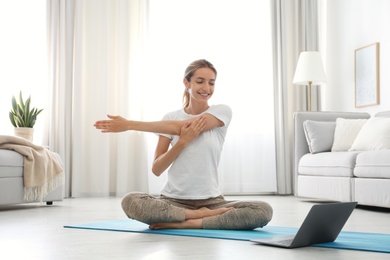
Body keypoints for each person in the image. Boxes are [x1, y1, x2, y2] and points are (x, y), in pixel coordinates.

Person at [94, 59, 273, 230]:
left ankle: (188, 222)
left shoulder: (221, 112)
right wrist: (182, 143)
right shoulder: (170, 118)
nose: (206, 88)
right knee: (131, 201)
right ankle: (196, 216)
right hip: (173, 200)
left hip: (212, 202)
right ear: (187, 83)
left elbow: (186, 126)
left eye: (211, 83)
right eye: (200, 81)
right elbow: (157, 169)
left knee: (263, 210)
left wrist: (130, 124)